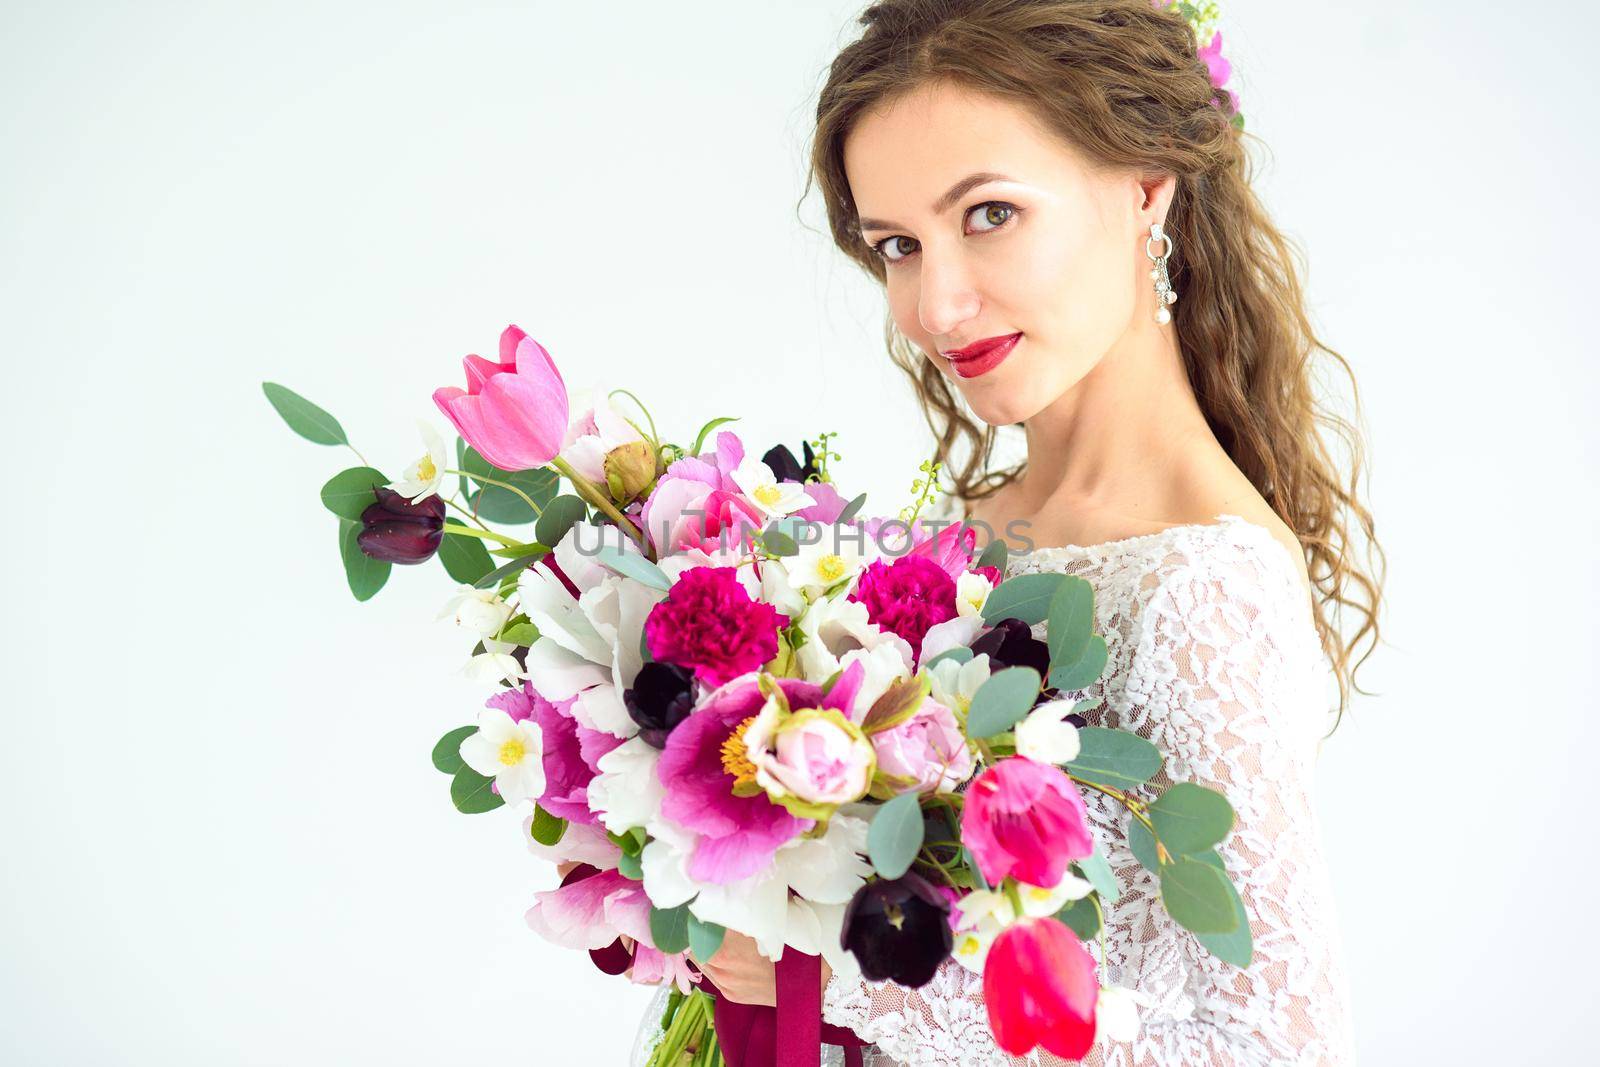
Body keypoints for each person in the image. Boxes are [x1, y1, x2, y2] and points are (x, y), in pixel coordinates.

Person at [633, 1, 1384, 1063]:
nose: (936, 304)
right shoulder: (949, 539)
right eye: (897, 243)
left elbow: (1270, 1043)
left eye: (987, 213)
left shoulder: (1199, 585)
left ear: (1144, 185)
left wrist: (848, 975)